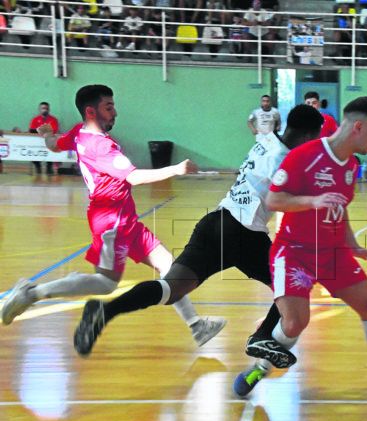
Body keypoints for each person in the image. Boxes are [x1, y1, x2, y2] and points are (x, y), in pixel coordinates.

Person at [72, 105, 324, 358]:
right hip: (243, 233)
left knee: (170, 289)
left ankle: (104, 312)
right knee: (294, 282)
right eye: (315, 138)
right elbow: (284, 200)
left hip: (215, 223)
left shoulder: (266, 140)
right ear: (307, 136)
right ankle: (262, 337)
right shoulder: (285, 161)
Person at [2, 85, 224, 350]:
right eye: (108, 107)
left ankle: (196, 326)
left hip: (125, 218)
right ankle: (32, 293)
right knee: (106, 283)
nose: (115, 112)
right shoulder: (102, 146)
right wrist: (175, 169)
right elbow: (134, 177)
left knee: (169, 267)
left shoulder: (78, 132)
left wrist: (47, 134)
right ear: (91, 111)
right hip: (112, 221)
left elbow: (53, 145)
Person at [238, 97, 367, 400]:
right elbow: (274, 200)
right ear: (358, 127)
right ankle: (260, 367)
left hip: (332, 252)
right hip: (294, 251)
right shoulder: (304, 156)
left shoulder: (352, 166)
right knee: (295, 322)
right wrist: (312, 201)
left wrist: (352, 243)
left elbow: (339, 208)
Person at [28, 101, 59, 175]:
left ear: (49, 109)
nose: (45, 110)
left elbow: (54, 130)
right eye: (43, 108)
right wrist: (43, 130)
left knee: (52, 151)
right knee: (32, 150)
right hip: (36, 142)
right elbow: (31, 130)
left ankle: (49, 168)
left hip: (49, 142)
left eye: (46, 108)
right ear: (40, 109)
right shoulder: (35, 119)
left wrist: (41, 130)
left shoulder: (53, 119)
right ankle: (38, 167)